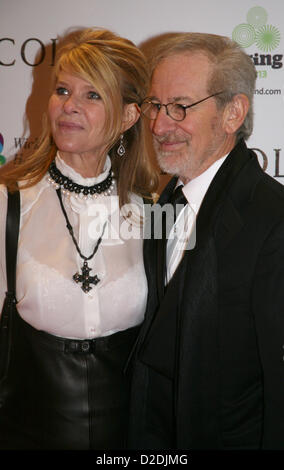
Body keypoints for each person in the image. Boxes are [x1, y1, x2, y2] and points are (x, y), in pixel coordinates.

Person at [0, 27, 158, 450]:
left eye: (92, 95)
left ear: (128, 116)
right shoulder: (7, 206)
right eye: (63, 90)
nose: (69, 107)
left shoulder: (155, 213)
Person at [128, 32, 284, 450]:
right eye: (156, 106)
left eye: (180, 107)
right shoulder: (165, 200)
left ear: (233, 113)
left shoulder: (274, 219)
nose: (160, 126)